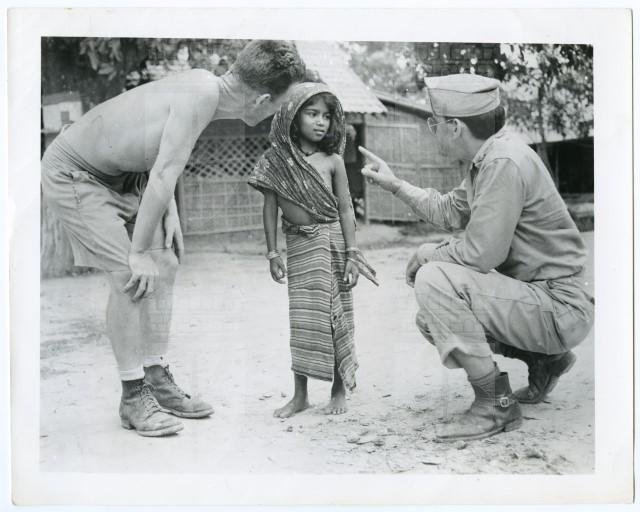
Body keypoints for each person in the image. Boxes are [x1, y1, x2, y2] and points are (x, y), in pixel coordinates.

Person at [41, 40, 307, 437]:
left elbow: (157, 153)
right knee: (129, 276)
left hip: (124, 175)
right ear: (262, 100)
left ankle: (156, 377)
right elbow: (164, 172)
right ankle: (133, 396)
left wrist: (170, 211)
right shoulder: (201, 94)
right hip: (76, 172)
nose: (276, 113)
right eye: (279, 106)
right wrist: (136, 252)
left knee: (164, 262)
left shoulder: (205, 89)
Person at [359, 73, 594, 442]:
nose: (432, 130)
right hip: (547, 302)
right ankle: (546, 360)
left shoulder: (502, 162)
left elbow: (482, 254)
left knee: (434, 279)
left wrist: (428, 253)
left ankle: (494, 405)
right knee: (431, 319)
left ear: (454, 127)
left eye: (434, 123)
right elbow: (449, 210)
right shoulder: (490, 157)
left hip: (559, 307)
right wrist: (396, 185)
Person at [248, 82, 378, 418]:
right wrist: (272, 253)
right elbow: (270, 208)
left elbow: (346, 208)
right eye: (312, 114)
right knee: (303, 318)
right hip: (299, 245)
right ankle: (300, 395)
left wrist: (353, 253)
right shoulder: (275, 161)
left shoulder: (333, 161)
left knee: (335, 316)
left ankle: (338, 389)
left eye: (326, 116)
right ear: (293, 116)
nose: (321, 122)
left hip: (332, 243)